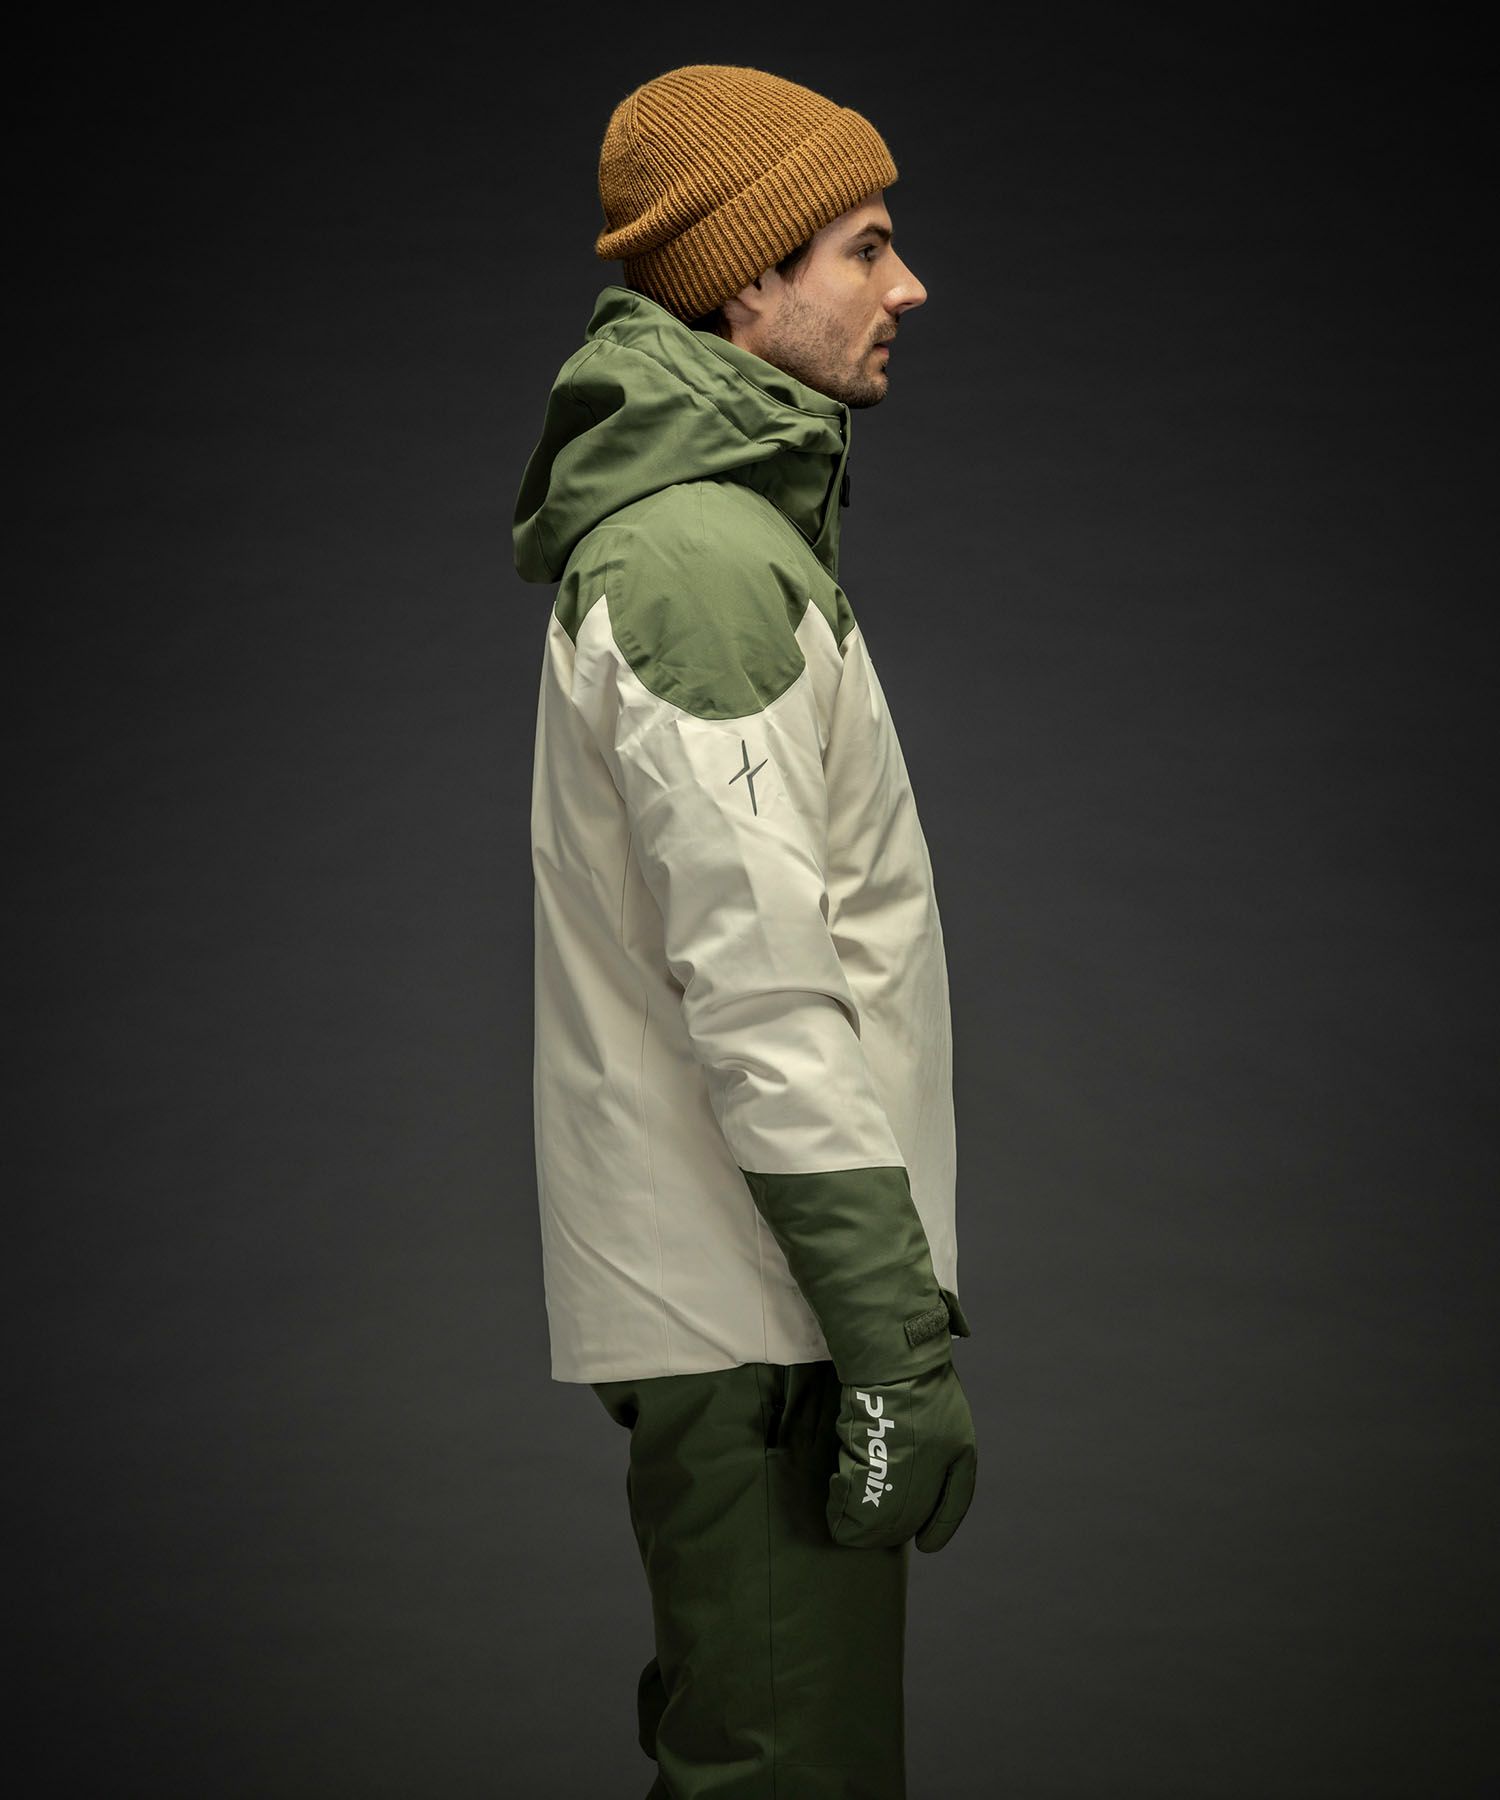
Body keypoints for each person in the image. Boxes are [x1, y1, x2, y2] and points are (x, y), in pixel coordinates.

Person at [512, 62, 978, 1799]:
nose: (908, 284)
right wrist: (891, 1344)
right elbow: (767, 998)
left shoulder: (724, 540)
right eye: (865, 246)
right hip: (767, 1321)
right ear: (741, 287)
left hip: (755, 1308)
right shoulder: (704, 571)